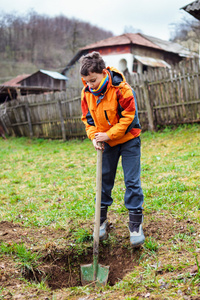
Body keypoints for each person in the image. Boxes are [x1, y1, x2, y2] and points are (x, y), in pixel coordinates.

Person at [80, 51, 145, 247]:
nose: (90, 85)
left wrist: (109, 135)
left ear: (103, 72)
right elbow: (88, 120)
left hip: (128, 140)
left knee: (131, 181)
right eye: (86, 81)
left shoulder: (122, 90)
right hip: (106, 143)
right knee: (103, 181)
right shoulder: (86, 94)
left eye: (93, 80)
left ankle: (135, 226)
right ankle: (101, 222)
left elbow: (129, 118)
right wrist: (94, 137)